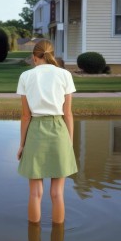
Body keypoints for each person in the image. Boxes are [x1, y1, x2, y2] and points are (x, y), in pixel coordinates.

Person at [16, 40, 77, 224]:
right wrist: (70, 142)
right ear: (51, 54)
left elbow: (26, 116)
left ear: (35, 57)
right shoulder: (65, 75)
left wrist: (22, 144)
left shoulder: (26, 76)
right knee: (57, 193)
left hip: (35, 131)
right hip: (59, 132)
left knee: (35, 193)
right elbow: (68, 114)